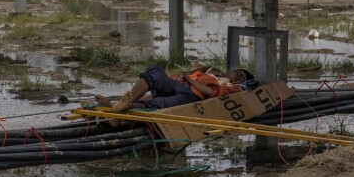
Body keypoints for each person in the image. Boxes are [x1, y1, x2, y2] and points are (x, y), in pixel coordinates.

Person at [95, 64, 255, 112]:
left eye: (242, 78)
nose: (239, 76)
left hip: (192, 96)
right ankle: (122, 104)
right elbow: (184, 73)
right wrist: (186, 74)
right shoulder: (211, 69)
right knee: (155, 71)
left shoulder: (229, 86)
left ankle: (121, 105)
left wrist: (188, 79)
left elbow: (211, 93)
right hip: (177, 84)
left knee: (160, 103)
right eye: (239, 72)